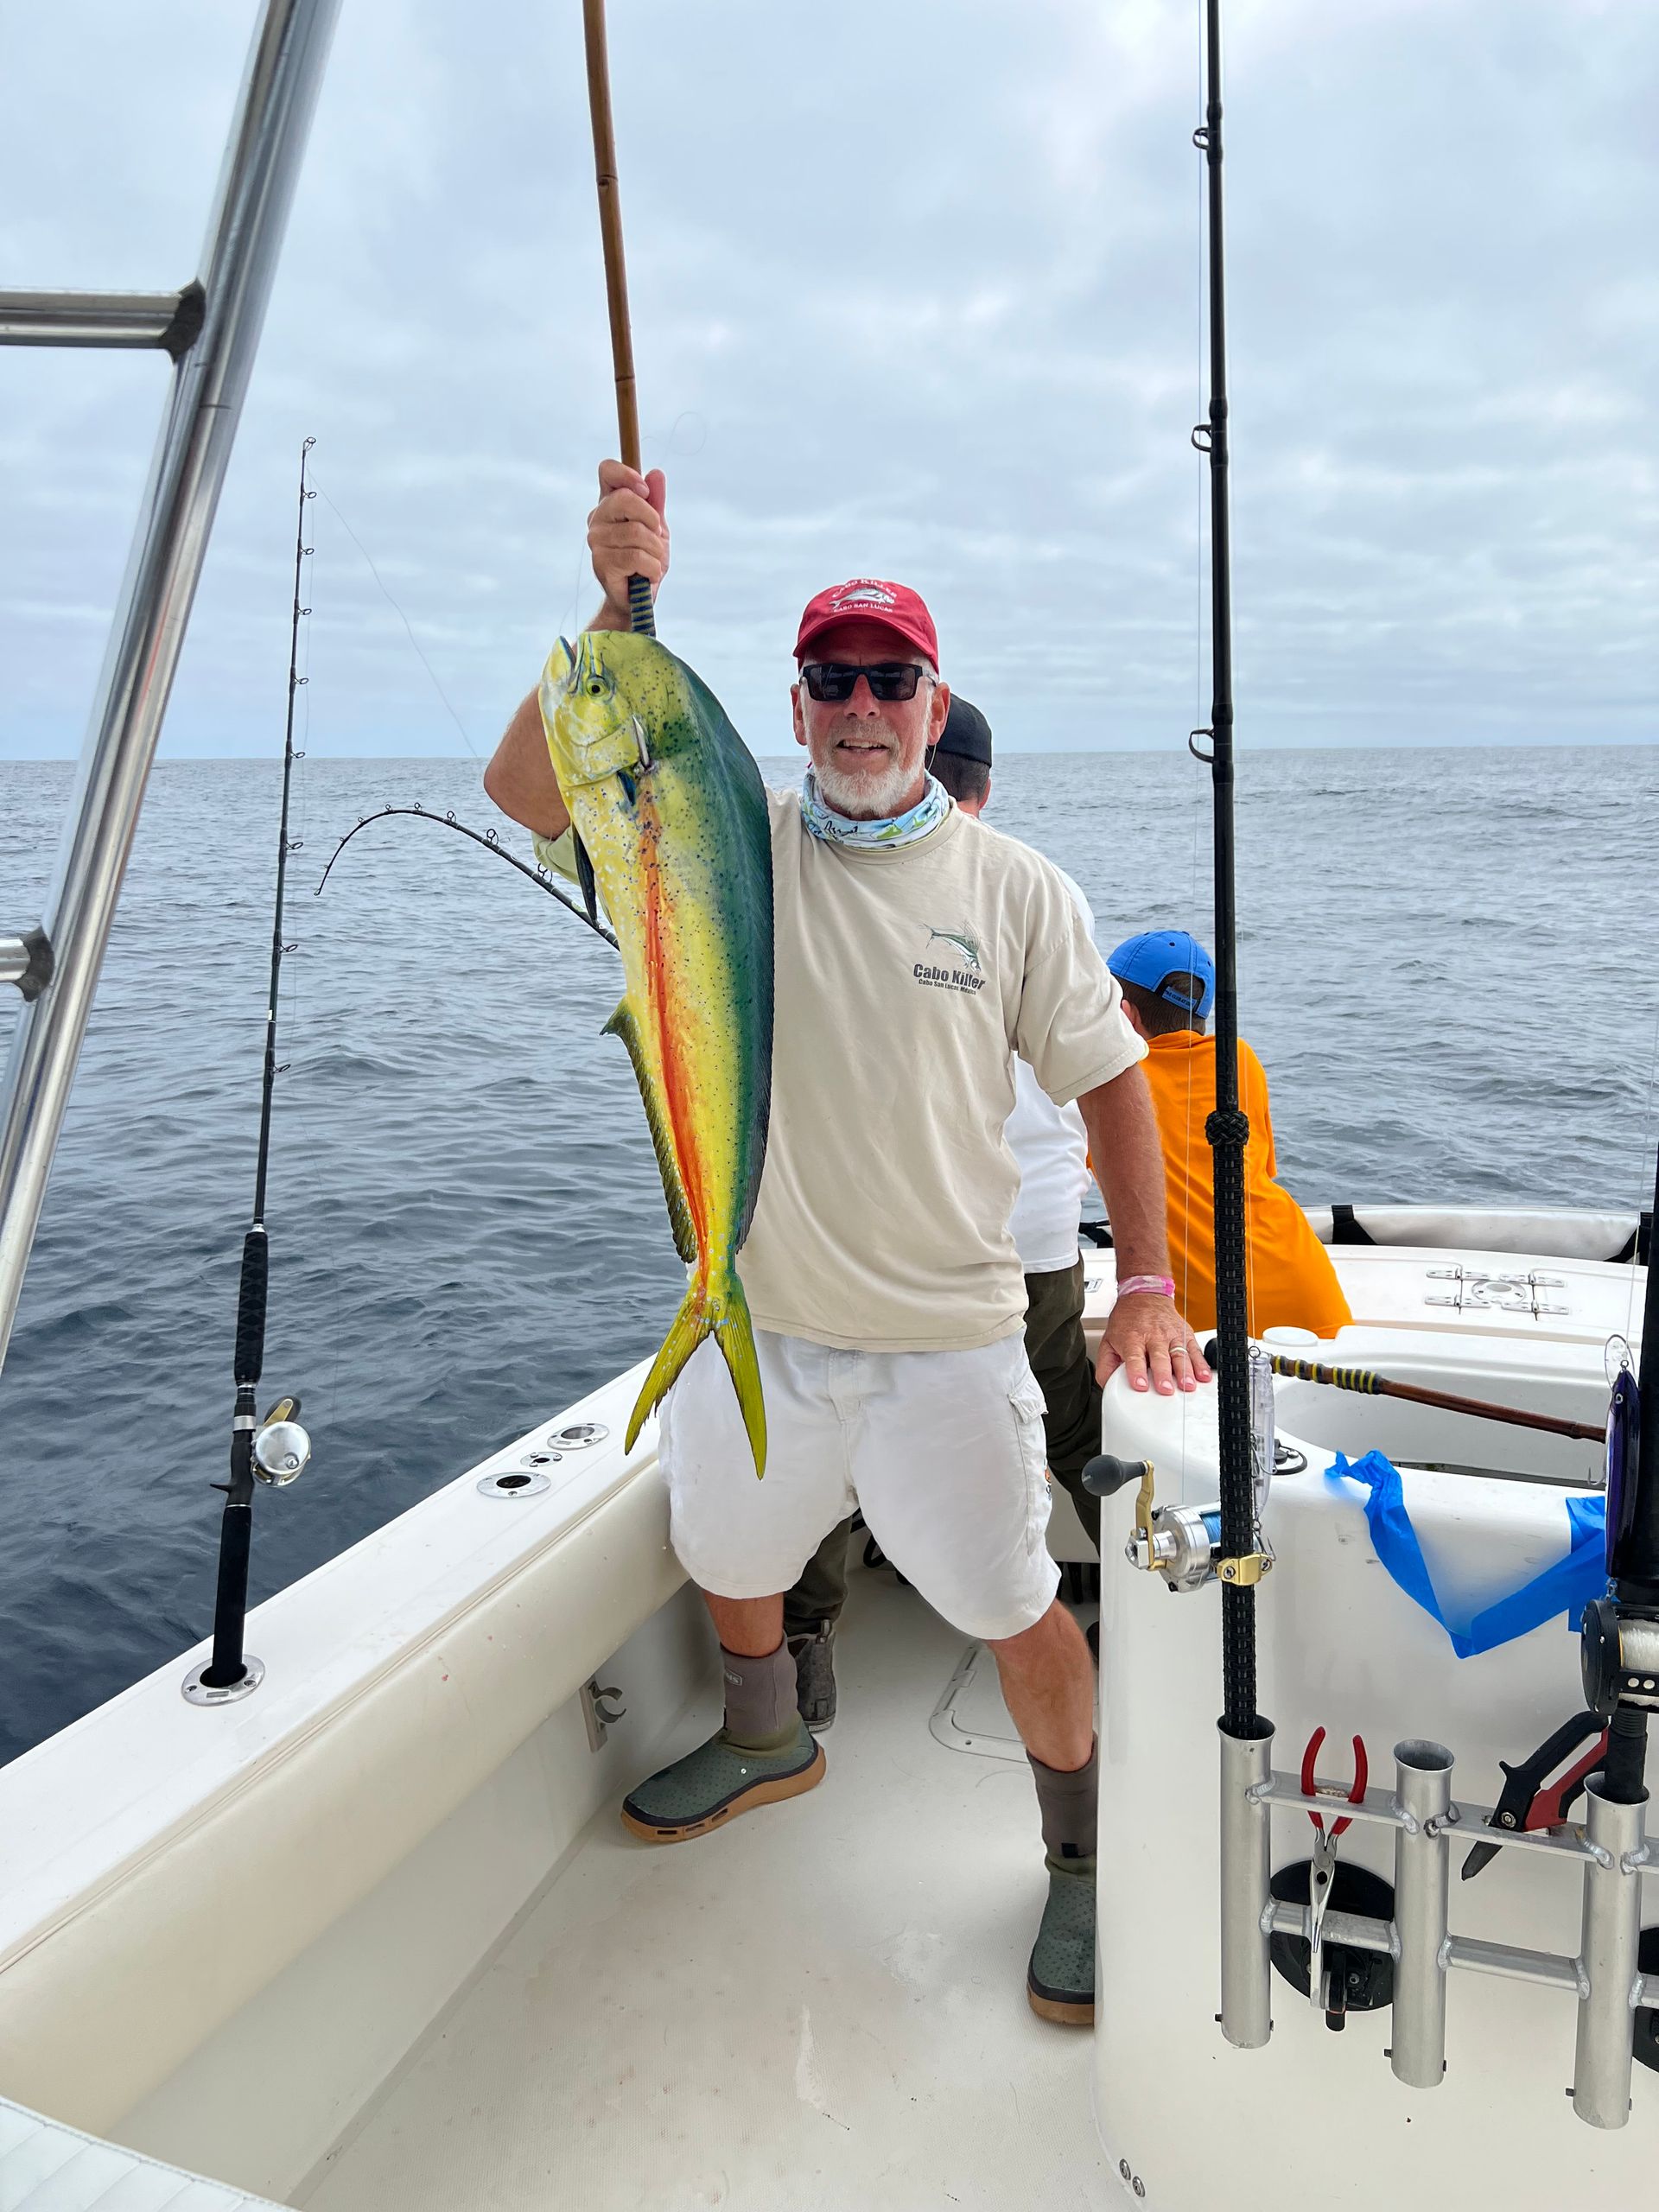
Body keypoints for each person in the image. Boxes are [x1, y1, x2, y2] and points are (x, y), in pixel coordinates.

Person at [484, 460, 1211, 2029]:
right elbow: (530, 797)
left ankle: (1081, 1860)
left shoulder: (1017, 889)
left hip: (949, 1337)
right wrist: (611, 609)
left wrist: (1147, 1284)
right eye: (833, 680)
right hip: (759, 1317)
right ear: (797, 703)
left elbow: (1114, 1085)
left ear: (936, 705)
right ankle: (767, 1735)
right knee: (725, 1555)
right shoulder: (727, 840)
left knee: (1014, 1604)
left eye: (892, 680)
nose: (862, 708)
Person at [784, 693, 1109, 1733]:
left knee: (823, 1443)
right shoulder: (1037, 885)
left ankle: (809, 1633)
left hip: (930, 1243)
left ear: (925, 751)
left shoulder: (939, 883)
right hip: (1039, 1230)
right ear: (988, 785)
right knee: (1067, 1421)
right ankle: (1138, 1588)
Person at [1107, 929, 1352, 1340]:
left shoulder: (1112, 1084)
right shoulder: (1238, 1060)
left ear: (1125, 1015)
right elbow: (1262, 1170)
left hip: (1209, 1315)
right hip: (1308, 1291)